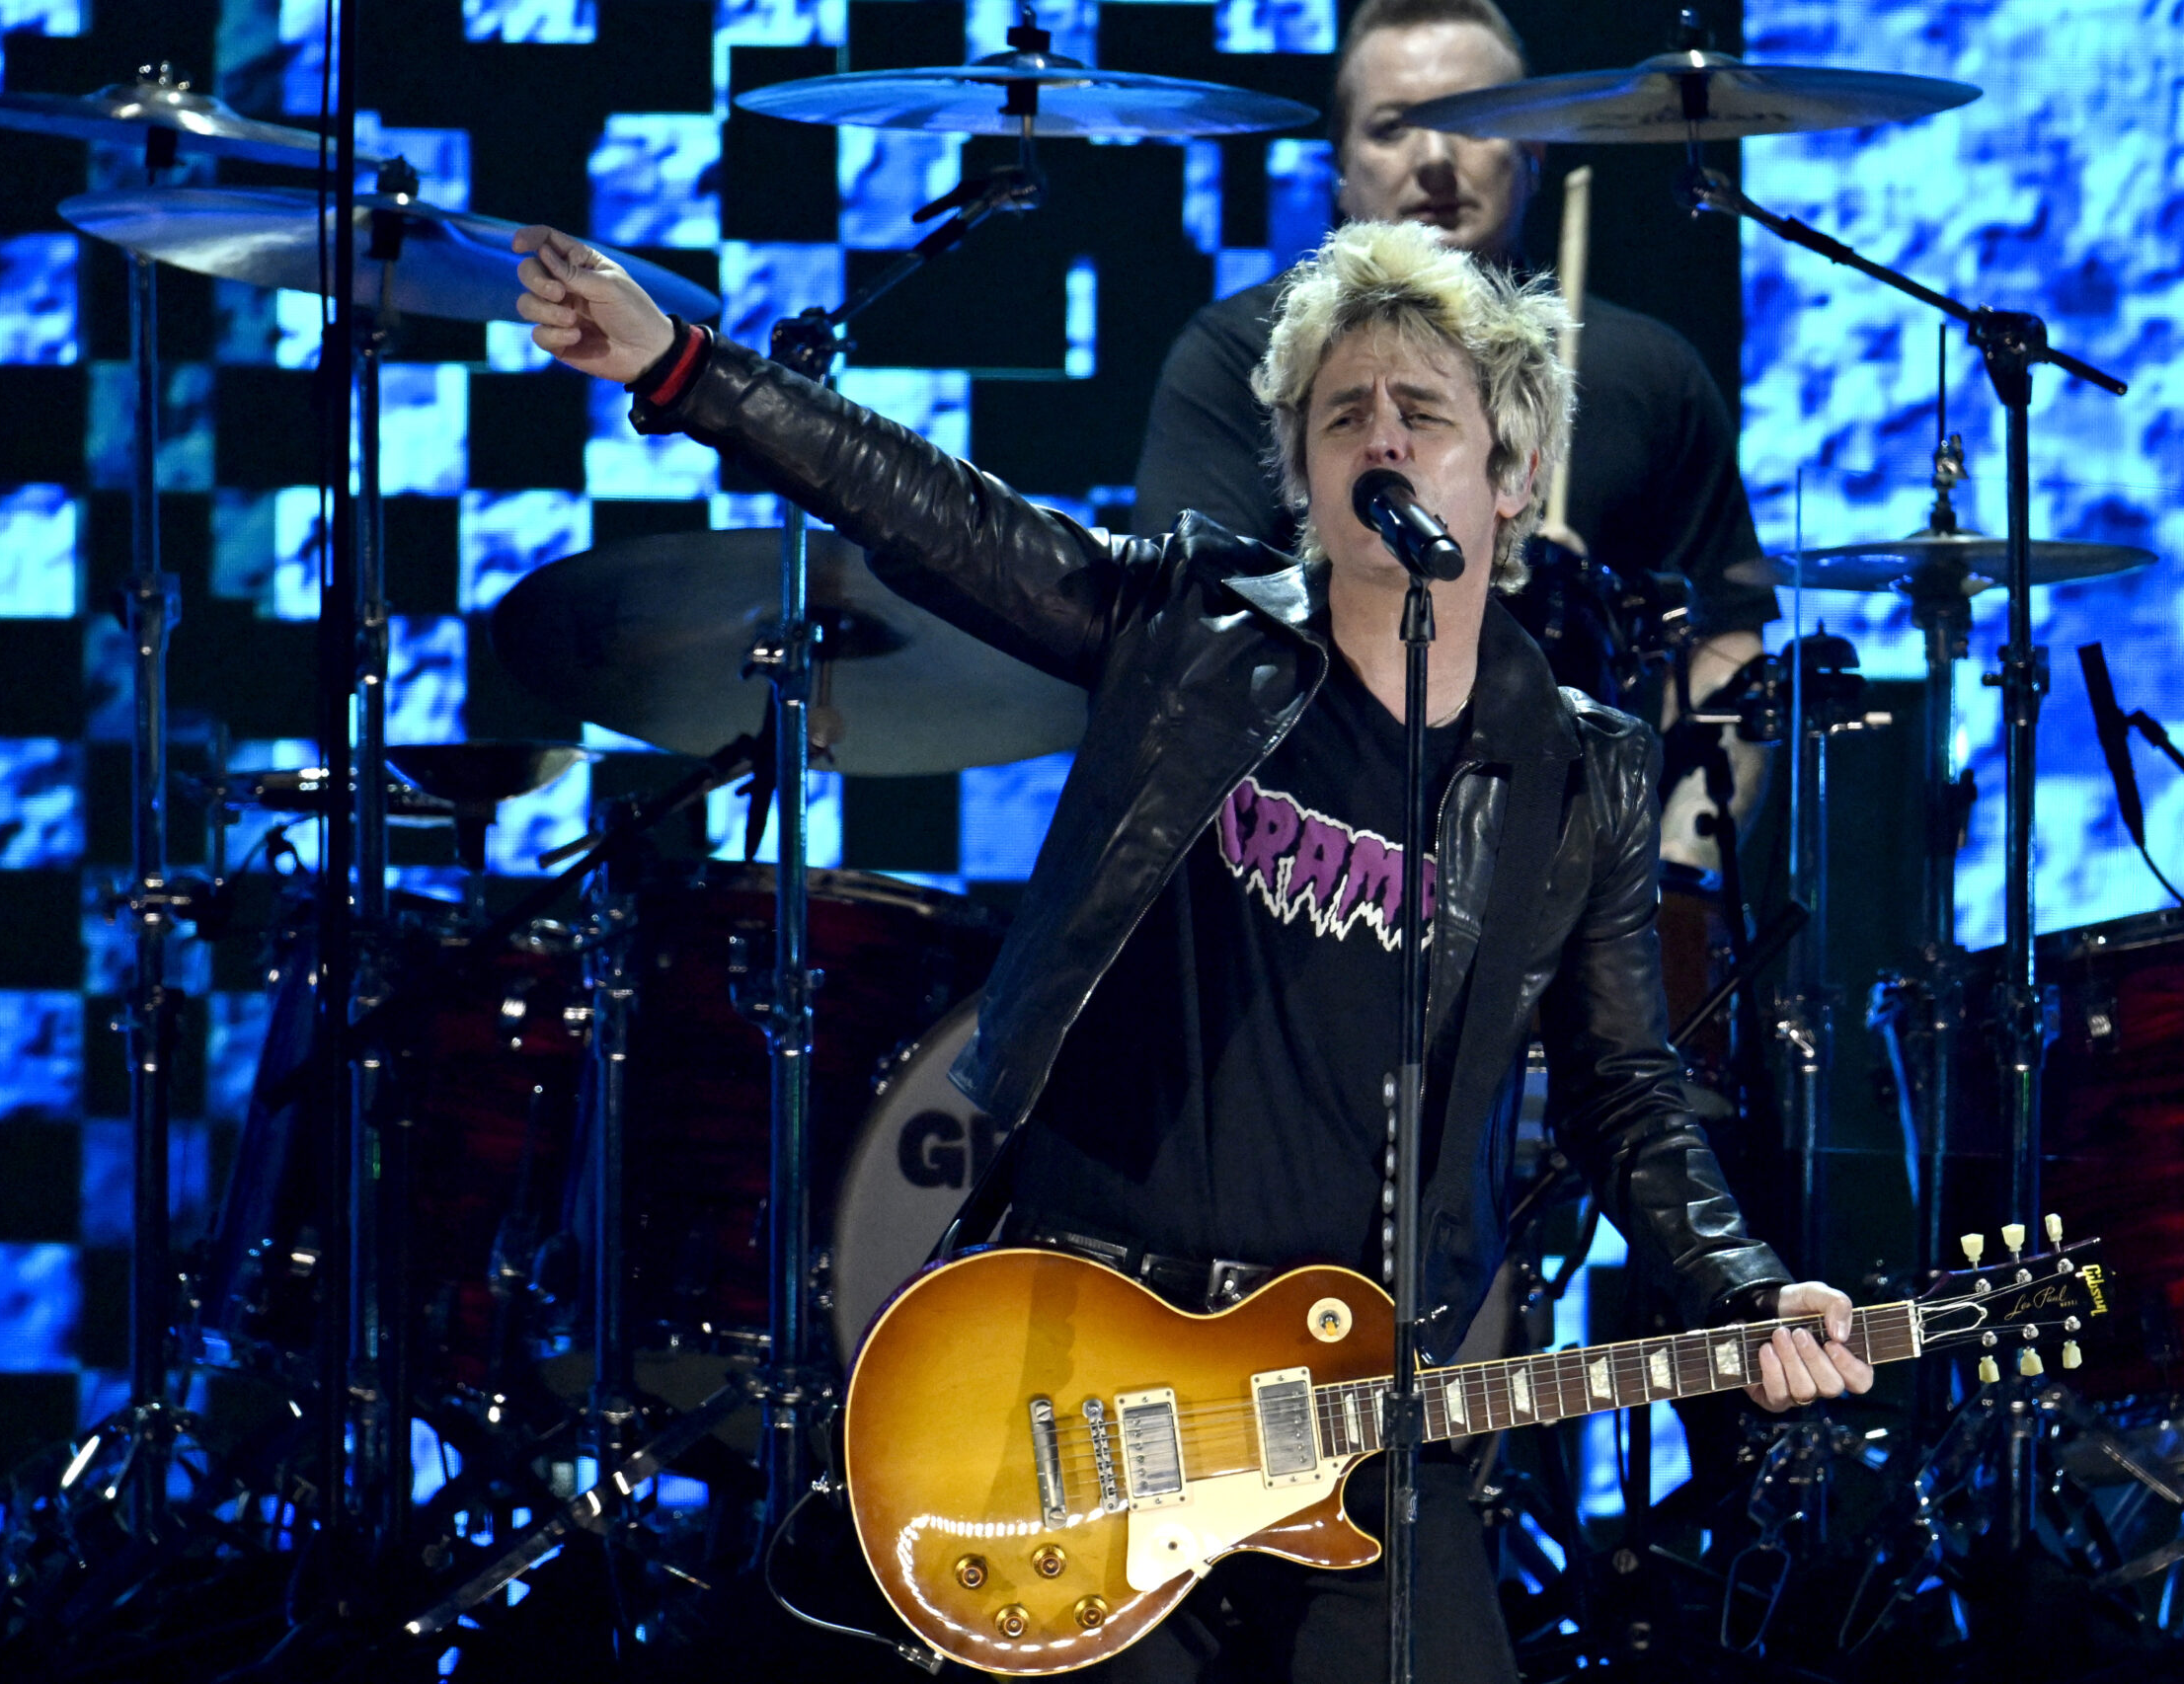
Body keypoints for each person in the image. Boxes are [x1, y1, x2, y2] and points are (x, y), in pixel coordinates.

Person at [510, 214, 1868, 1684]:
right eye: (1345, 414)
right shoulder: (1187, 625)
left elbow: (1622, 1087)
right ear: (1301, 473)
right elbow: (937, 514)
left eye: (1425, 412)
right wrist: (685, 370)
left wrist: (1742, 1285)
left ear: (1517, 472)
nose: (1384, 438)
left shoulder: (1578, 776)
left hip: (1352, 1402)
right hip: (1091, 1353)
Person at [1131, 0, 1775, 878]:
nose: (1435, 161)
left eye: (1474, 121)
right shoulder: (1246, 360)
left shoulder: (1645, 375)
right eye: (1396, 128)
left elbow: (1726, 653)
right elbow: (1194, 633)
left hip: (1579, 883)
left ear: (1536, 149)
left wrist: (1675, 878)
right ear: (1339, 168)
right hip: (1312, 876)